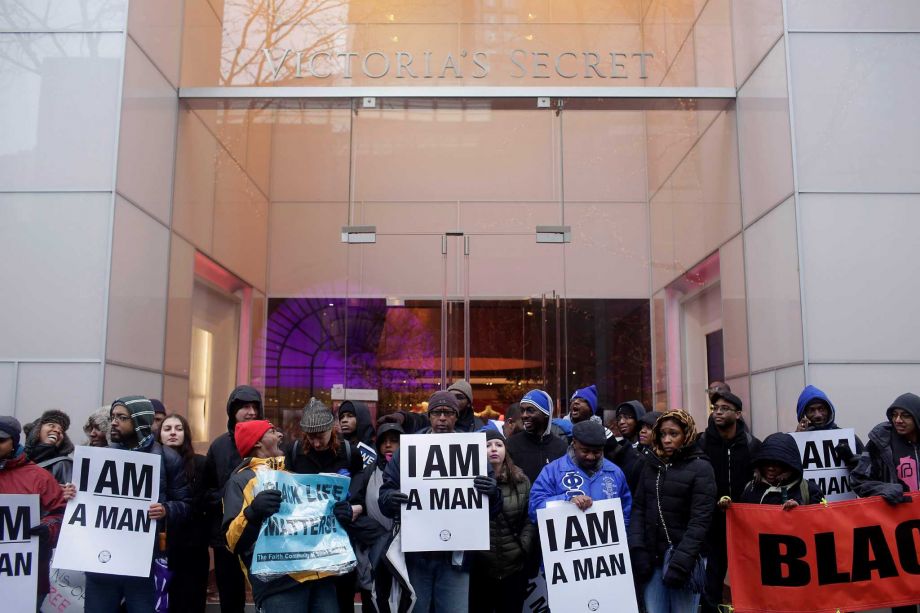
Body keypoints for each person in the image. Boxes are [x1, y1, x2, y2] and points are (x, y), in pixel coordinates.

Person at [378, 390, 502, 613]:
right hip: (417, 554)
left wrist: (493, 493)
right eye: (437, 412)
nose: (442, 418)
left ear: (456, 416)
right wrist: (390, 499)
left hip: (456, 557)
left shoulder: (471, 449)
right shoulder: (408, 449)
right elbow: (385, 493)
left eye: (448, 412)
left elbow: (493, 509)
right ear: (429, 416)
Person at [75, 396, 190, 612]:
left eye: (121, 417)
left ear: (139, 421)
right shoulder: (101, 456)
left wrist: (166, 509)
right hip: (102, 562)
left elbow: (185, 504)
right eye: (113, 417)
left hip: (143, 562)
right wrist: (71, 494)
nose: (114, 422)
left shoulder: (167, 457)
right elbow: (84, 502)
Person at [223, 419, 339, 611]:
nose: (280, 435)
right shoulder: (240, 481)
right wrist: (252, 513)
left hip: (319, 577)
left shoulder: (294, 472)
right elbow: (231, 541)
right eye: (272, 431)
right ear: (257, 442)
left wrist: (336, 512)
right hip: (277, 586)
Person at [629, 409, 716, 613]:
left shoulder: (701, 468)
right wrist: (638, 549)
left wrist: (680, 564)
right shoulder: (651, 464)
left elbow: (700, 521)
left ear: (687, 434)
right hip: (654, 560)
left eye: (674, 434)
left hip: (685, 562)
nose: (667, 439)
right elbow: (639, 508)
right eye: (662, 434)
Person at [286, 398, 365, 612]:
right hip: (306, 543)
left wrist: (354, 507)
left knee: (343, 600)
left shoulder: (349, 452)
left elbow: (363, 490)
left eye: (320, 437)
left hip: (340, 542)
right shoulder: (294, 452)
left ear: (332, 429)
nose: (316, 443)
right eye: (311, 438)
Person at [851, 393, 919, 613]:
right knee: (903, 600)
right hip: (898, 535)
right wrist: (885, 489)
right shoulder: (880, 443)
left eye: (905, 416)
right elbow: (858, 480)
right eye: (894, 415)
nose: (898, 420)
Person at [698, 391, 760, 613]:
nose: (718, 412)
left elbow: (760, 483)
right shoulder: (701, 443)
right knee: (712, 576)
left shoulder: (753, 445)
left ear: (738, 414)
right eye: (715, 408)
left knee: (749, 573)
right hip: (712, 523)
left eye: (724, 408)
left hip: (744, 523)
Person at [203, 384, 264, 613]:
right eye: (244, 407)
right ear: (232, 411)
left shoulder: (268, 442)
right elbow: (206, 491)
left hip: (262, 534)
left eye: (254, 407)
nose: (251, 412)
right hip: (226, 537)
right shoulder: (218, 446)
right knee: (230, 596)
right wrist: (229, 497)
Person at [0, 415, 66, 610]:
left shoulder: (38, 477)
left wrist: (48, 528)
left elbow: (62, 515)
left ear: (14, 442)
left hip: (25, 576)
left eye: (1, 440)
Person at [470, 429, 535, 613]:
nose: (493, 449)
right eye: (487, 445)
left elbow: (530, 518)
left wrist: (524, 546)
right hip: (482, 567)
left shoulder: (522, 481)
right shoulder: (468, 482)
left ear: (506, 450)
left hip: (514, 566)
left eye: (498, 445)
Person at [529, 420, 632, 525]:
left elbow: (626, 514)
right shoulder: (553, 471)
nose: (591, 456)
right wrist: (567, 500)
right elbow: (535, 509)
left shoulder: (615, 473)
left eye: (597, 452)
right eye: (585, 451)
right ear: (574, 443)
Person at [159, 413, 209, 613]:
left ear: (186, 434)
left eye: (178, 429)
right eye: (167, 428)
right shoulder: (150, 462)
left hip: (192, 547)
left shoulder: (201, 464)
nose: (172, 433)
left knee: (190, 601)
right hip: (159, 546)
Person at [350, 423, 404, 612]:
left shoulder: (418, 472)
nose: (388, 446)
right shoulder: (367, 473)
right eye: (384, 441)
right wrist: (378, 536)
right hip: (374, 553)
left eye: (394, 441)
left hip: (408, 553)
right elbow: (354, 513)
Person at [724, 432, 823, 508]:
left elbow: (821, 520)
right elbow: (742, 520)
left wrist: (800, 509)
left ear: (788, 465)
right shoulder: (750, 488)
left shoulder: (809, 490)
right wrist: (729, 506)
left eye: (777, 464)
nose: (770, 468)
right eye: (766, 463)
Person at [505, 389, 568, 484]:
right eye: (522, 411)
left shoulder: (561, 448)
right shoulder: (511, 445)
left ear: (546, 413)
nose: (524, 415)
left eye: (530, 410)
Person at [377, 380, 485, 434]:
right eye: (451, 396)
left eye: (460, 397)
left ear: (469, 403)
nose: (442, 418)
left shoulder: (481, 426)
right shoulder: (433, 419)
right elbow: (417, 419)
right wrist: (401, 417)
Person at [794, 385, 864, 452]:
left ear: (829, 411)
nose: (818, 415)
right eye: (811, 410)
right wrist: (796, 439)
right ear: (804, 415)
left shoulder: (849, 438)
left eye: (821, 409)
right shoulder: (794, 441)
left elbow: (866, 462)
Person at [23, 409, 74, 484]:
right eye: (51, 425)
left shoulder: (63, 464)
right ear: (36, 431)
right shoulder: (17, 461)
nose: (57, 431)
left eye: (61, 430)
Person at [338, 399, 377, 469]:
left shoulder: (375, 450)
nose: (344, 420)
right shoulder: (338, 448)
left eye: (350, 416)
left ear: (361, 418)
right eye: (341, 417)